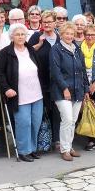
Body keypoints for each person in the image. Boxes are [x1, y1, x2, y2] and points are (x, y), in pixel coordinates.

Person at [0, 23, 44, 162]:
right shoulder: (6, 52)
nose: (21, 37)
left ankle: (32, 149)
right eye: (17, 34)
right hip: (19, 95)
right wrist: (6, 88)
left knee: (35, 122)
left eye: (23, 34)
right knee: (24, 123)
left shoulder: (31, 50)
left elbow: (39, 69)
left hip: (36, 93)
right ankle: (23, 151)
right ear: (12, 36)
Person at [50, 22, 89, 161]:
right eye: (67, 33)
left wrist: (86, 89)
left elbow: (83, 70)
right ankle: (64, 149)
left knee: (73, 120)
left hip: (78, 90)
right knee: (66, 120)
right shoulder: (56, 49)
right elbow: (55, 72)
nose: (69, 36)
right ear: (61, 34)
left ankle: (70, 146)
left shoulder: (77, 49)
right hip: (62, 91)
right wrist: (65, 88)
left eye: (71, 34)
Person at [28, 10, 61, 151]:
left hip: (58, 82)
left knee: (57, 111)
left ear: (55, 23)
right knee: (42, 112)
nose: (47, 24)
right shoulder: (36, 36)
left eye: (50, 22)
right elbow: (26, 53)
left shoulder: (60, 37)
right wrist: (38, 45)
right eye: (45, 22)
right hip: (40, 81)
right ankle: (41, 141)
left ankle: (57, 140)